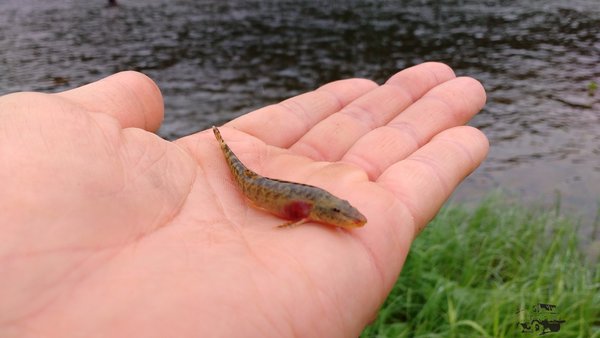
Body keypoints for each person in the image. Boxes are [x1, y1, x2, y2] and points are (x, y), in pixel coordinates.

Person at [0, 62, 488, 336]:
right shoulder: (310, 210)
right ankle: (222, 147)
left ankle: (223, 146)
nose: (349, 218)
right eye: (343, 213)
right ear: (322, 212)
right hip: (261, 187)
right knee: (243, 177)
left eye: (344, 212)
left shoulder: (324, 210)